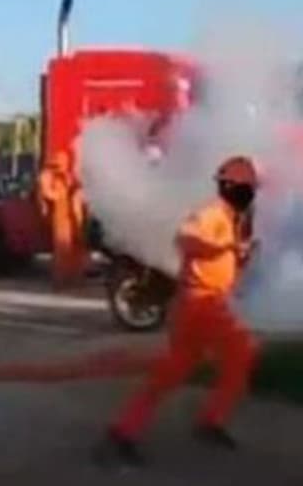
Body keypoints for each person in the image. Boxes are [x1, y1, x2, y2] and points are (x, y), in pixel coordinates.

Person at [98, 156, 260, 469]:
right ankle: (209, 421)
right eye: (246, 187)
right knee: (242, 352)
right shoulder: (211, 214)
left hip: (199, 305)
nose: (249, 194)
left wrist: (240, 255)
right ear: (229, 187)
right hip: (203, 304)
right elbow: (185, 239)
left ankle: (124, 432)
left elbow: (219, 257)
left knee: (173, 371)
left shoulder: (229, 217)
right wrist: (223, 249)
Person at [37, 150, 87, 289]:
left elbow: (77, 192)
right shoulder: (47, 176)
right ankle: (60, 280)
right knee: (61, 249)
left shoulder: (66, 176)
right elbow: (47, 194)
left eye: (65, 162)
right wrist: (60, 194)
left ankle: (75, 278)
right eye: (61, 162)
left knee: (75, 248)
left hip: (71, 217)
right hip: (59, 215)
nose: (64, 164)